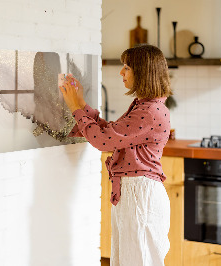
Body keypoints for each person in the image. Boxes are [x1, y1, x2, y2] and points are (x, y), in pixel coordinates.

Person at [59, 44, 172, 266]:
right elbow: (111, 133)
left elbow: (103, 141)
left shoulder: (149, 111)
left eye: (127, 67)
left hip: (140, 195)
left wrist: (75, 107)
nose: (121, 72)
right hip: (134, 193)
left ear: (143, 71)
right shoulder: (145, 106)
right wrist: (81, 103)